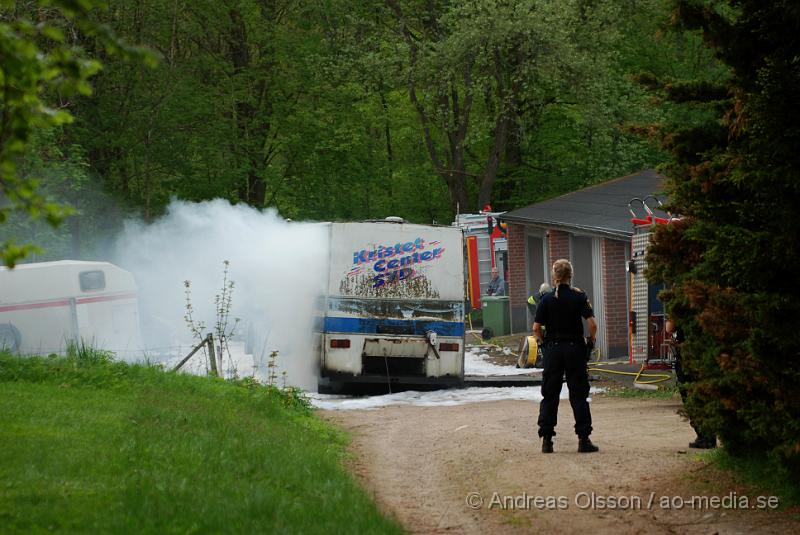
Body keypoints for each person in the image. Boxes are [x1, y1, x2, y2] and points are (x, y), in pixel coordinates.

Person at [534, 259, 598, 453]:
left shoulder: (546, 299)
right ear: (570, 275)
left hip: (553, 349)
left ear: (554, 276)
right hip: (574, 349)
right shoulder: (579, 296)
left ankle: (547, 440)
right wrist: (590, 342)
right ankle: (583, 439)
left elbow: (536, 328)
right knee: (578, 393)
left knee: (550, 394)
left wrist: (544, 344)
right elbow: (592, 325)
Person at [665, 318, 717, 449]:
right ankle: (709, 436)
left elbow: (669, 328)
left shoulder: (681, 308)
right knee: (704, 396)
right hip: (702, 357)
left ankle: (704, 436)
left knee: (690, 396)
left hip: (687, 360)